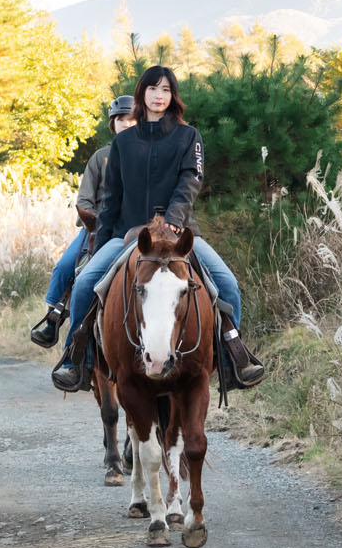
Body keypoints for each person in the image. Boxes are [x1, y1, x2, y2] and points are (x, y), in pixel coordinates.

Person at [52, 66, 266, 392]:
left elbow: (190, 180)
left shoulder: (188, 137)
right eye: (153, 89)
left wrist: (174, 219)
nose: (159, 96)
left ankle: (231, 359)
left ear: (172, 96)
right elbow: (112, 198)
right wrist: (100, 244)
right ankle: (75, 360)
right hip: (128, 234)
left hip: (179, 235)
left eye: (165, 90)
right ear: (142, 94)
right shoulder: (123, 142)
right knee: (83, 285)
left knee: (228, 285)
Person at [29, 94, 137, 348]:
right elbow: (85, 199)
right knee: (64, 267)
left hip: (131, 228)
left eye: (132, 120)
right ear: (113, 124)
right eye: (121, 120)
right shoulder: (101, 158)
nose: (127, 124)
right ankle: (53, 319)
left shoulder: (146, 157)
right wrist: (96, 222)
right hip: (97, 226)